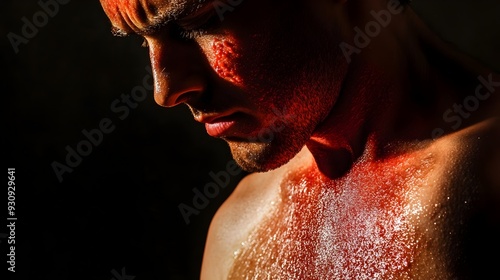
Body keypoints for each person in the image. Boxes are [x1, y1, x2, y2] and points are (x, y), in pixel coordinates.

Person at [99, 0, 500, 278]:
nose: (165, 90)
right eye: (141, 39)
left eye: (199, 22)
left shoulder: (484, 182)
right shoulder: (238, 229)